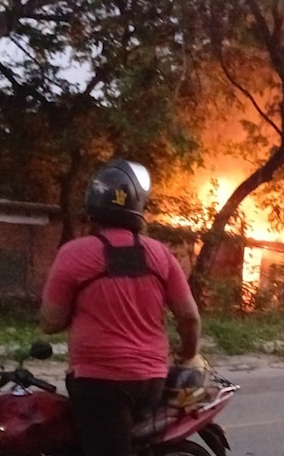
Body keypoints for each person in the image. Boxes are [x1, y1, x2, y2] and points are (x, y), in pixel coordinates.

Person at [40, 159, 200, 456]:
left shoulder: (73, 254)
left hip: (98, 383)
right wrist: (187, 353)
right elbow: (189, 318)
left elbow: (50, 322)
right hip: (151, 379)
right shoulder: (160, 254)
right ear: (138, 206)